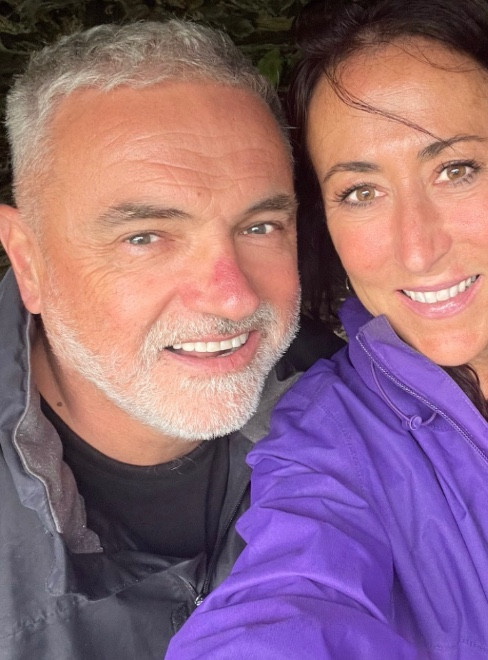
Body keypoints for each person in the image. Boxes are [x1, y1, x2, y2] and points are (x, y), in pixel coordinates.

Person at [166, 0, 488, 658]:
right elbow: (288, 600)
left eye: (455, 170)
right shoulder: (331, 431)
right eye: (361, 192)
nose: (418, 250)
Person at [0, 19, 344, 659]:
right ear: (28, 259)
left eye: (260, 227)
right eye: (145, 237)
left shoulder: (359, 405)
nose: (233, 297)